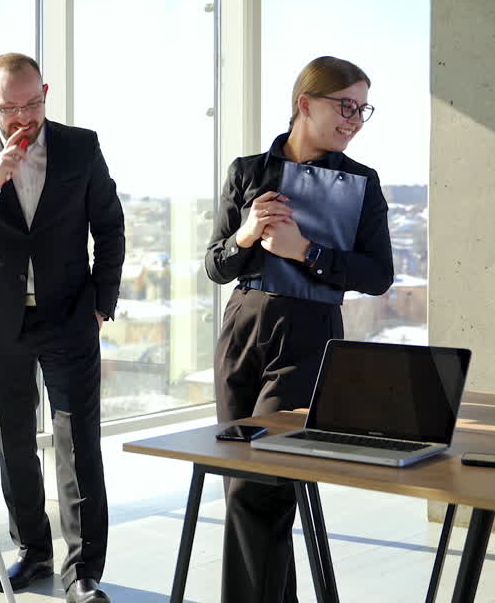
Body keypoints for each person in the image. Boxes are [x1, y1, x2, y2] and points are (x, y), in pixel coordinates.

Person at [204, 55, 394, 603]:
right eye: (346, 106)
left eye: (362, 109)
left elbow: (379, 275)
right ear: (305, 104)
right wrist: (244, 236)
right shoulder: (247, 172)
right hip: (241, 329)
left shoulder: (363, 182)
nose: (355, 120)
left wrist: (306, 251)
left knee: (263, 488)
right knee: (241, 481)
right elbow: (216, 267)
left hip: (310, 335)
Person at [0, 53, 125, 603]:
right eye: (10, 107)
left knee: (78, 442)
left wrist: (102, 302)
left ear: (45, 92)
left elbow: (110, 226)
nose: (24, 116)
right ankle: (33, 549)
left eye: (34, 103)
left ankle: (82, 572)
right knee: (14, 441)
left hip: (70, 315)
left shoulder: (80, 145)